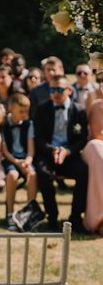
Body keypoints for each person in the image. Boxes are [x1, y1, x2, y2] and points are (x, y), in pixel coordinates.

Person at [34, 75, 89, 233]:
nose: (56, 93)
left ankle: (75, 218)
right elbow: (39, 138)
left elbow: (82, 139)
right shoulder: (42, 108)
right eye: (52, 89)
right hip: (48, 153)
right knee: (42, 173)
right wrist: (53, 150)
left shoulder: (79, 110)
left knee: (84, 172)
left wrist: (67, 151)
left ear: (69, 90)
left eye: (59, 89)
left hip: (70, 154)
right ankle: (52, 217)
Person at [1, 93, 37, 231]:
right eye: (20, 111)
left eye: (26, 111)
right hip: (10, 159)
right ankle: (10, 213)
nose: (24, 114)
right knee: (12, 176)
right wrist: (17, 162)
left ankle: (29, 214)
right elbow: (4, 151)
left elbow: (31, 150)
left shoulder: (29, 124)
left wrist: (27, 161)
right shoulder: (3, 124)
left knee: (32, 175)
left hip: (25, 158)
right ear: (11, 109)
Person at [83, 99, 103, 234]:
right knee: (98, 152)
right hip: (98, 147)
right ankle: (99, 219)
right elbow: (98, 134)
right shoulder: (98, 105)